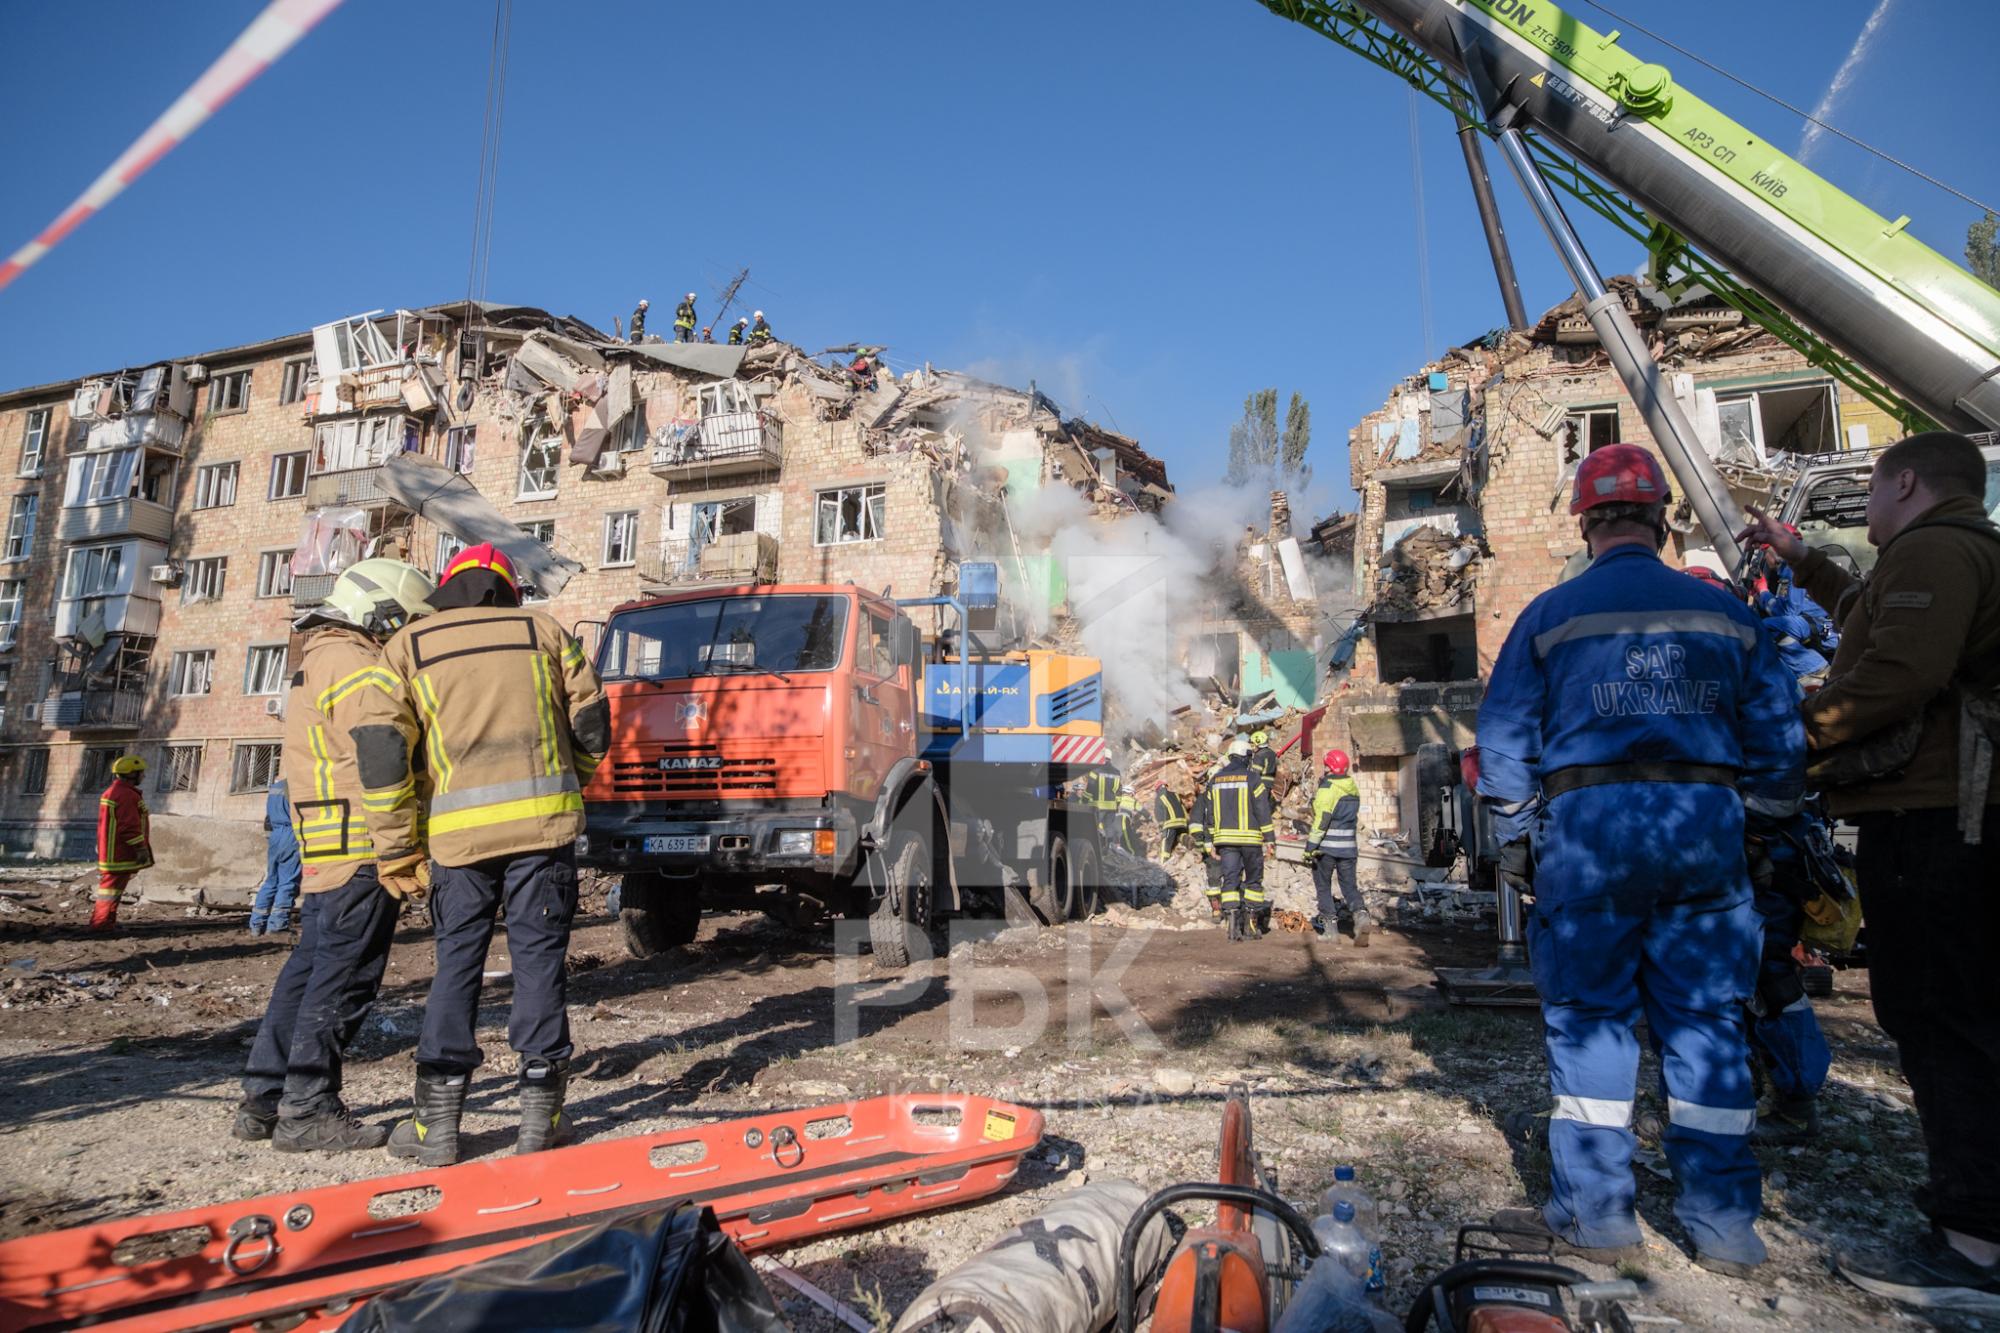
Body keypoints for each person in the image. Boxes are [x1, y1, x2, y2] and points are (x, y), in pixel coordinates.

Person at [1476, 444, 1804, 1277]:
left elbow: (1505, 739)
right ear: (1661, 517)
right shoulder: (1730, 615)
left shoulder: (1550, 614)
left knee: (1591, 1020)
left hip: (1590, 840)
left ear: (1586, 520)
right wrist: (1758, 825)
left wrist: (1515, 834)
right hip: (1703, 833)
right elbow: (1776, 733)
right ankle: (1724, 1224)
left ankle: (1597, 1216)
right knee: (1708, 1024)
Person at [1741, 431, 2000, 1310]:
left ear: (1907, 483)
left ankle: (1974, 1245)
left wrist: (1793, 739)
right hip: (1945, 818)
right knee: (1949, 1011)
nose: (1866, 509)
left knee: (1942, 1016)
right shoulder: (1959, 550)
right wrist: (1803, 559)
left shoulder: (1936, 548)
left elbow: (1896, 667)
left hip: (1939, 822)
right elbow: (1867, 615)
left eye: (1874, 490)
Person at [356, 543, 609, 1166]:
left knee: (456, 966)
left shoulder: (408, 647)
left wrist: (395, 850)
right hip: (542, 836)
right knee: (539, 964)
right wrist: (567, 783)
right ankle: (540, 1119)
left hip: (458, 842)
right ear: (508, 589)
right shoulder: (544, 632)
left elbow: (383, 753)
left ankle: (435, 1127)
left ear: (446, 587)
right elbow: (593, 727)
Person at [236, 559, 437, 1152]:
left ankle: (266, 1098)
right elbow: (376, 755)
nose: (404, 637)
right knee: (344, 981)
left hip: (329, 845)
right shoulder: (355, 663)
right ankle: (309, 1109)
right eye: (404, 623)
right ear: (381, 613)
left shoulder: (317, 657)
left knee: (307, 973)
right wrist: (402, 846)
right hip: (364, 847)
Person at [1196, 737, 1275, 941]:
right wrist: (1269, 838)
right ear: (1247, 757)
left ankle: (1232, 924)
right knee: (1253, 881)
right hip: (1250, 840)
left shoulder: (1215, 780)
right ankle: (1250, 925)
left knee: (1230, 880)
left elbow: (1210, 814)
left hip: (1226, 842)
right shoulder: (1253, 779)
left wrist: (1211, 840)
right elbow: (1262, 810)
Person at [1305, 748, 1371, 945]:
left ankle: (1330, 931)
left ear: (1330, 767)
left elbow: (1322, 820)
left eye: (1326, 765)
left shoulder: (1327, 789)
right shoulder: (1352, 788)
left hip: (1326, 848)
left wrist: (1310, 847)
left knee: (1323, 886)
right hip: (1349, 847)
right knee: (1349, 886)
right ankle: (1361, 916)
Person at [93, 755, 152, 932]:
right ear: (131, 774)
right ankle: (101, 924)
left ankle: (106, 922)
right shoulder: (125, 795)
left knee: (113, 890)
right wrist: (140, 847)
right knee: (109, 890)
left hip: (113, 850)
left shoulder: (117, 792)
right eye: (141, 773)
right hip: (119, 852)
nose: (144, 776)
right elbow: (129, 825)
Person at [248, 777, 301, 935]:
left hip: (275, 835)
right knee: (288, 881)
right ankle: (278, 924)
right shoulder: (297, 785)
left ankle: (256, 924)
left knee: (271, 880)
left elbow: (268, 817)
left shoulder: (276, 787)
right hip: (291, 834)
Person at [1151, 783, 1188, 857]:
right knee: (1180, 835)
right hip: (1182, 822)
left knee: (1166, 841)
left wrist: (1161, 825)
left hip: (1170, 823)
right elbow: (1182, 807)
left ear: (1157, 790)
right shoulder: (1175, 794)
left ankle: (1163, 860)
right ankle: (1189, 842)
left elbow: (1158, 812)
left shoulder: (1159, 797)